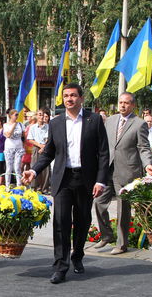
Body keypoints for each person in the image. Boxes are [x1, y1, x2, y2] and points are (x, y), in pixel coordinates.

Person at [21, 83, 110, 283]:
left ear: (81, 98)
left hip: (86, 179)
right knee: (60, 221)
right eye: (66, 96)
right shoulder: (56, 122)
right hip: (62, 179)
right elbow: (49, 152)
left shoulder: (93, 120)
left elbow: (103, 153)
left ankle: (77, 256)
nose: (69, 99)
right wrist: (34, 171)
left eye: (73, 95)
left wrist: (101, 180)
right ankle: (60, 266)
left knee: (82, 221)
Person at [93, 92, 152, 255]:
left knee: (123, 209)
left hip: (127, 171)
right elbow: (104, 144)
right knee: (99, 202)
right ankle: (106, 235)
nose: (122, 105)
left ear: (133, 105)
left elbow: (143, 148)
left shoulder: (139, 124)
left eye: (126, 103)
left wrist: (148, 164)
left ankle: (121, 244)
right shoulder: (110, 121)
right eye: (120, 102)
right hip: (107, 169)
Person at [27, 109, 51, 193]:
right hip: (36, 148)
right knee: (34, 166)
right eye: (39, 114)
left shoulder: (48, 126)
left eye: (42, 115)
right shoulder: (33, 127)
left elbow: (49, 138)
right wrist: (40, 146)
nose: (41, 117)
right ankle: (35, 187)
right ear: (36, 116)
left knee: (46, 169)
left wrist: (44, 147)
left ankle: (44, 188)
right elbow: (30, 139)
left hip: (46, 147)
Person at [3, 109, 25, 185]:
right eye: (15, 115)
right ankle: (7, 185)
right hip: (9, 147)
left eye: (17, 115)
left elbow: (23, 135)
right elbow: (8, 135)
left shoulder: (21, 124)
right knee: (9, 167)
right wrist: (13, 126)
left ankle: (19, 185)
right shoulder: (5, 125)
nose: (17, 116)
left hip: (18, 147)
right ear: (11, 115)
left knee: (17, 167)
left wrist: (24, 146)